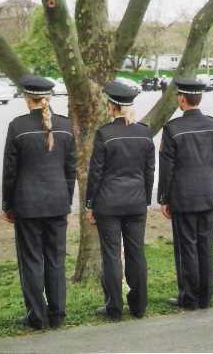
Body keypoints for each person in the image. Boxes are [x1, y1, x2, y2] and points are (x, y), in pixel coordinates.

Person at [2, 74, 77, 330]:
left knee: (32, 260)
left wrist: (8, 205)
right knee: (55, 259)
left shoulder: (18, 127)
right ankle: (57, 314)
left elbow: (10, 171)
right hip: (57, 203)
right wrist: (66, 200)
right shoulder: (65, 126)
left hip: (27, 204)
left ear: (27, 98)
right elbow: (71, 170)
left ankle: (37, 316)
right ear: (47, 98)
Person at [85, 81, 155, 321]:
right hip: (136, 202)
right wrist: (144, 199)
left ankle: (114, 308)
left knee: (112, 255)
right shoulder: (144, 132)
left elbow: (96, 173)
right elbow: (149, 171)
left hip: (109, 203)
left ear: (112, 106)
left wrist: (89, 204)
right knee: (136, 253)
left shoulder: (105, 134)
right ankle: (139, 306)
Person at [158, 78, 213, 310]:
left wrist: (163, 198)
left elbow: (167, 168)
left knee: (186, 247)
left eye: (178, 96)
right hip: (207, 194)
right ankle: (205, 297)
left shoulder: (172, 129)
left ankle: (189, 297)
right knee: (205, 246)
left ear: (182, 99)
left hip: (183, 197)